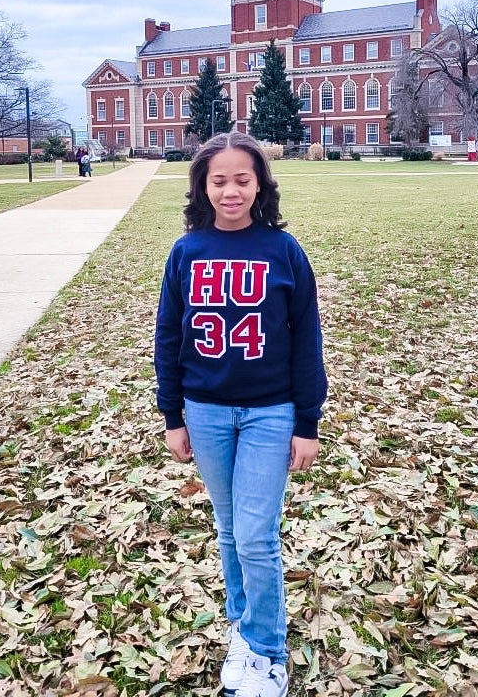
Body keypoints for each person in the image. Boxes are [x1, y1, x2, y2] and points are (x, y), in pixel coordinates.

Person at [154, 132, 327, 697]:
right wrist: (172, 414)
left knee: (256, 536)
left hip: (270, 412)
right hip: (205, 412)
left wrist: (307, 422)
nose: (231, 190)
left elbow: (307, 341)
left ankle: (268, 653)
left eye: (242, 179)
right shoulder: (186, 251)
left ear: (260, 185)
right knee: (230, 530)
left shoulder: (284, 252)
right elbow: (168, 337)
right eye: (219, 180)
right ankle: (245, 630)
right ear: (203, 187)